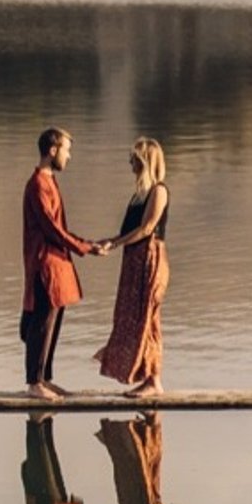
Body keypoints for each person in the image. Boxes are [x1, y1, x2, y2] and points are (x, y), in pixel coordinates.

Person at [21, 126, 107, 400]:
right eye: (66, 151)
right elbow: (52, 230)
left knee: (53, 321)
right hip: (44, 263)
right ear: (53, 150)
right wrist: (86, 247)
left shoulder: (49, 182)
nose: (68, 157)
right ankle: (35, 383)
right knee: (42, 323)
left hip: (56, 263)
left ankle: (45, 378)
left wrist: (86, 244)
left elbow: (58, 228)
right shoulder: (38, 185)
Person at [94, 138, 170, 397]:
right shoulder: (139, 194)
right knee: (133, 316)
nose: (131, 165)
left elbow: (148, 228)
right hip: (134, 258)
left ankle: (154, 380)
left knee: (149, 317)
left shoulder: (158, 191)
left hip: (149, 258)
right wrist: (113, 242)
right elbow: (131, 229)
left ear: (145, 162)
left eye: (134, 161)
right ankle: (146, 375)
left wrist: (114, 243)